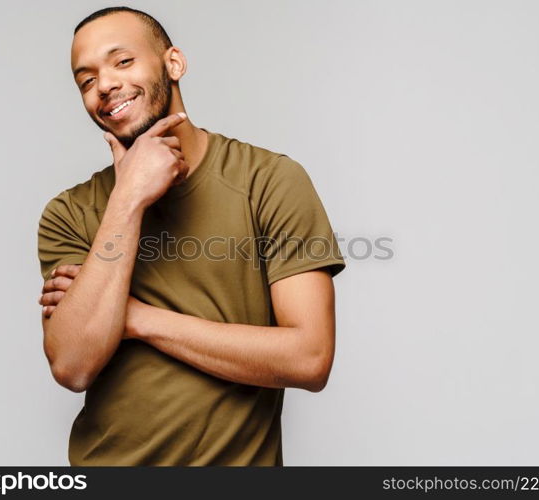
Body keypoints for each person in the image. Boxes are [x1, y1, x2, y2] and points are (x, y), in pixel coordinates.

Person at [36, 6, 346, 466]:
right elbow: (74, 365)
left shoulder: (269, 180)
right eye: (86, 80)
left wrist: (135, 319)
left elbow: (309, 358)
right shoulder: (69, 213)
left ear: (173, 64)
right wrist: (128, 200)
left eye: (122, 61)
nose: (104, 86)